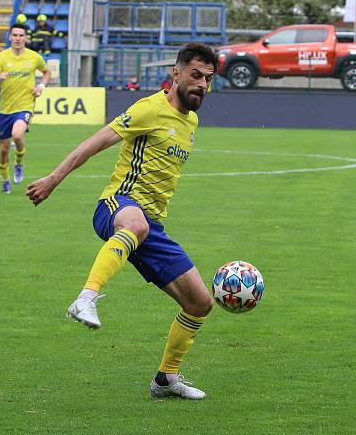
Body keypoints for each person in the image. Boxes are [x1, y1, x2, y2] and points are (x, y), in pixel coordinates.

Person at [25, 43, 218, 400]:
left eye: (208, 78)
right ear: (176, 75)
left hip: (151, 228)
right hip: (117, 206)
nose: (202, 85)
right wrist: (54, 179)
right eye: (195, 75)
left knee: (200, 303)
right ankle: (85, 298)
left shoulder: (191, 121)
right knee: (137, 225)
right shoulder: (149, 108)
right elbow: (95, 142)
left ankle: (166, 380)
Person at [0, 23, 50, 194]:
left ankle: (19, 162)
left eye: (21, 35)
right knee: (4, 149)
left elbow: (47, 72)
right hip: (5, 110)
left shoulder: (34, 57)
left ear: (26, 38)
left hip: (25, 105)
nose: (18, 39)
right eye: (15, 35)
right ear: (10, 37)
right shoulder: (2, 58)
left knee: (17, 134)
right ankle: (5, 180)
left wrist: (41, 87)